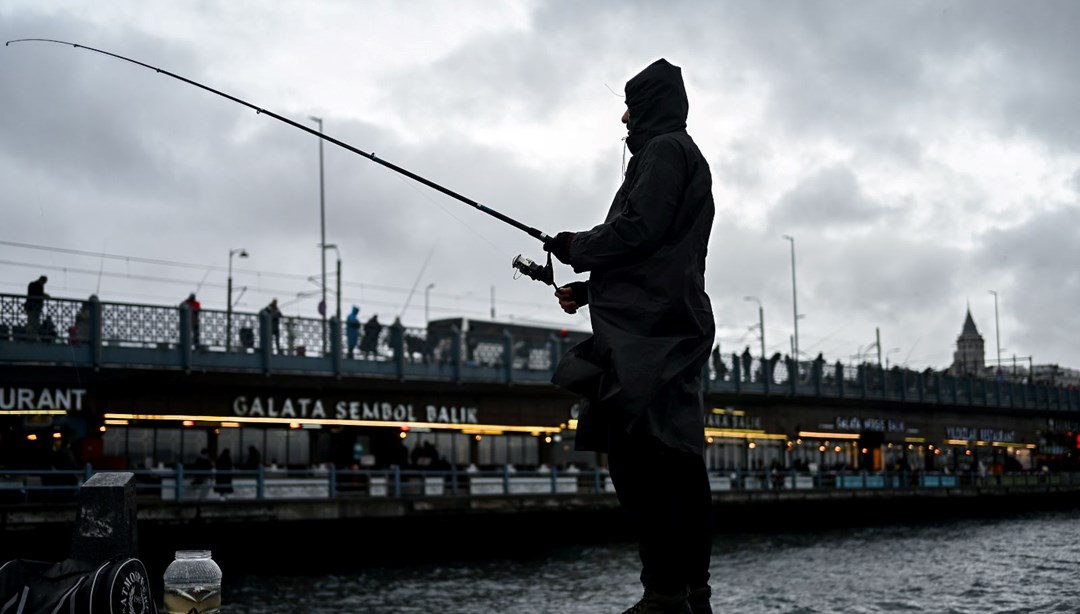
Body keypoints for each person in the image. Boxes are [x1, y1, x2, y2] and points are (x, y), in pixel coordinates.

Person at [544, 58, 715, 614]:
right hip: (668, 322)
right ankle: (690, 593)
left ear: (649, 107)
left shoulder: (664, 151)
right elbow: (659, 256)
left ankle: (663, 596)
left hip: (649, 336)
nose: (623, 117)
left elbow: (638, 231)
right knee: (677, 460)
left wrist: (576, 246)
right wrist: (592, 289)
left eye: (630, 106)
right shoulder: (682, 155)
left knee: (641, 463)